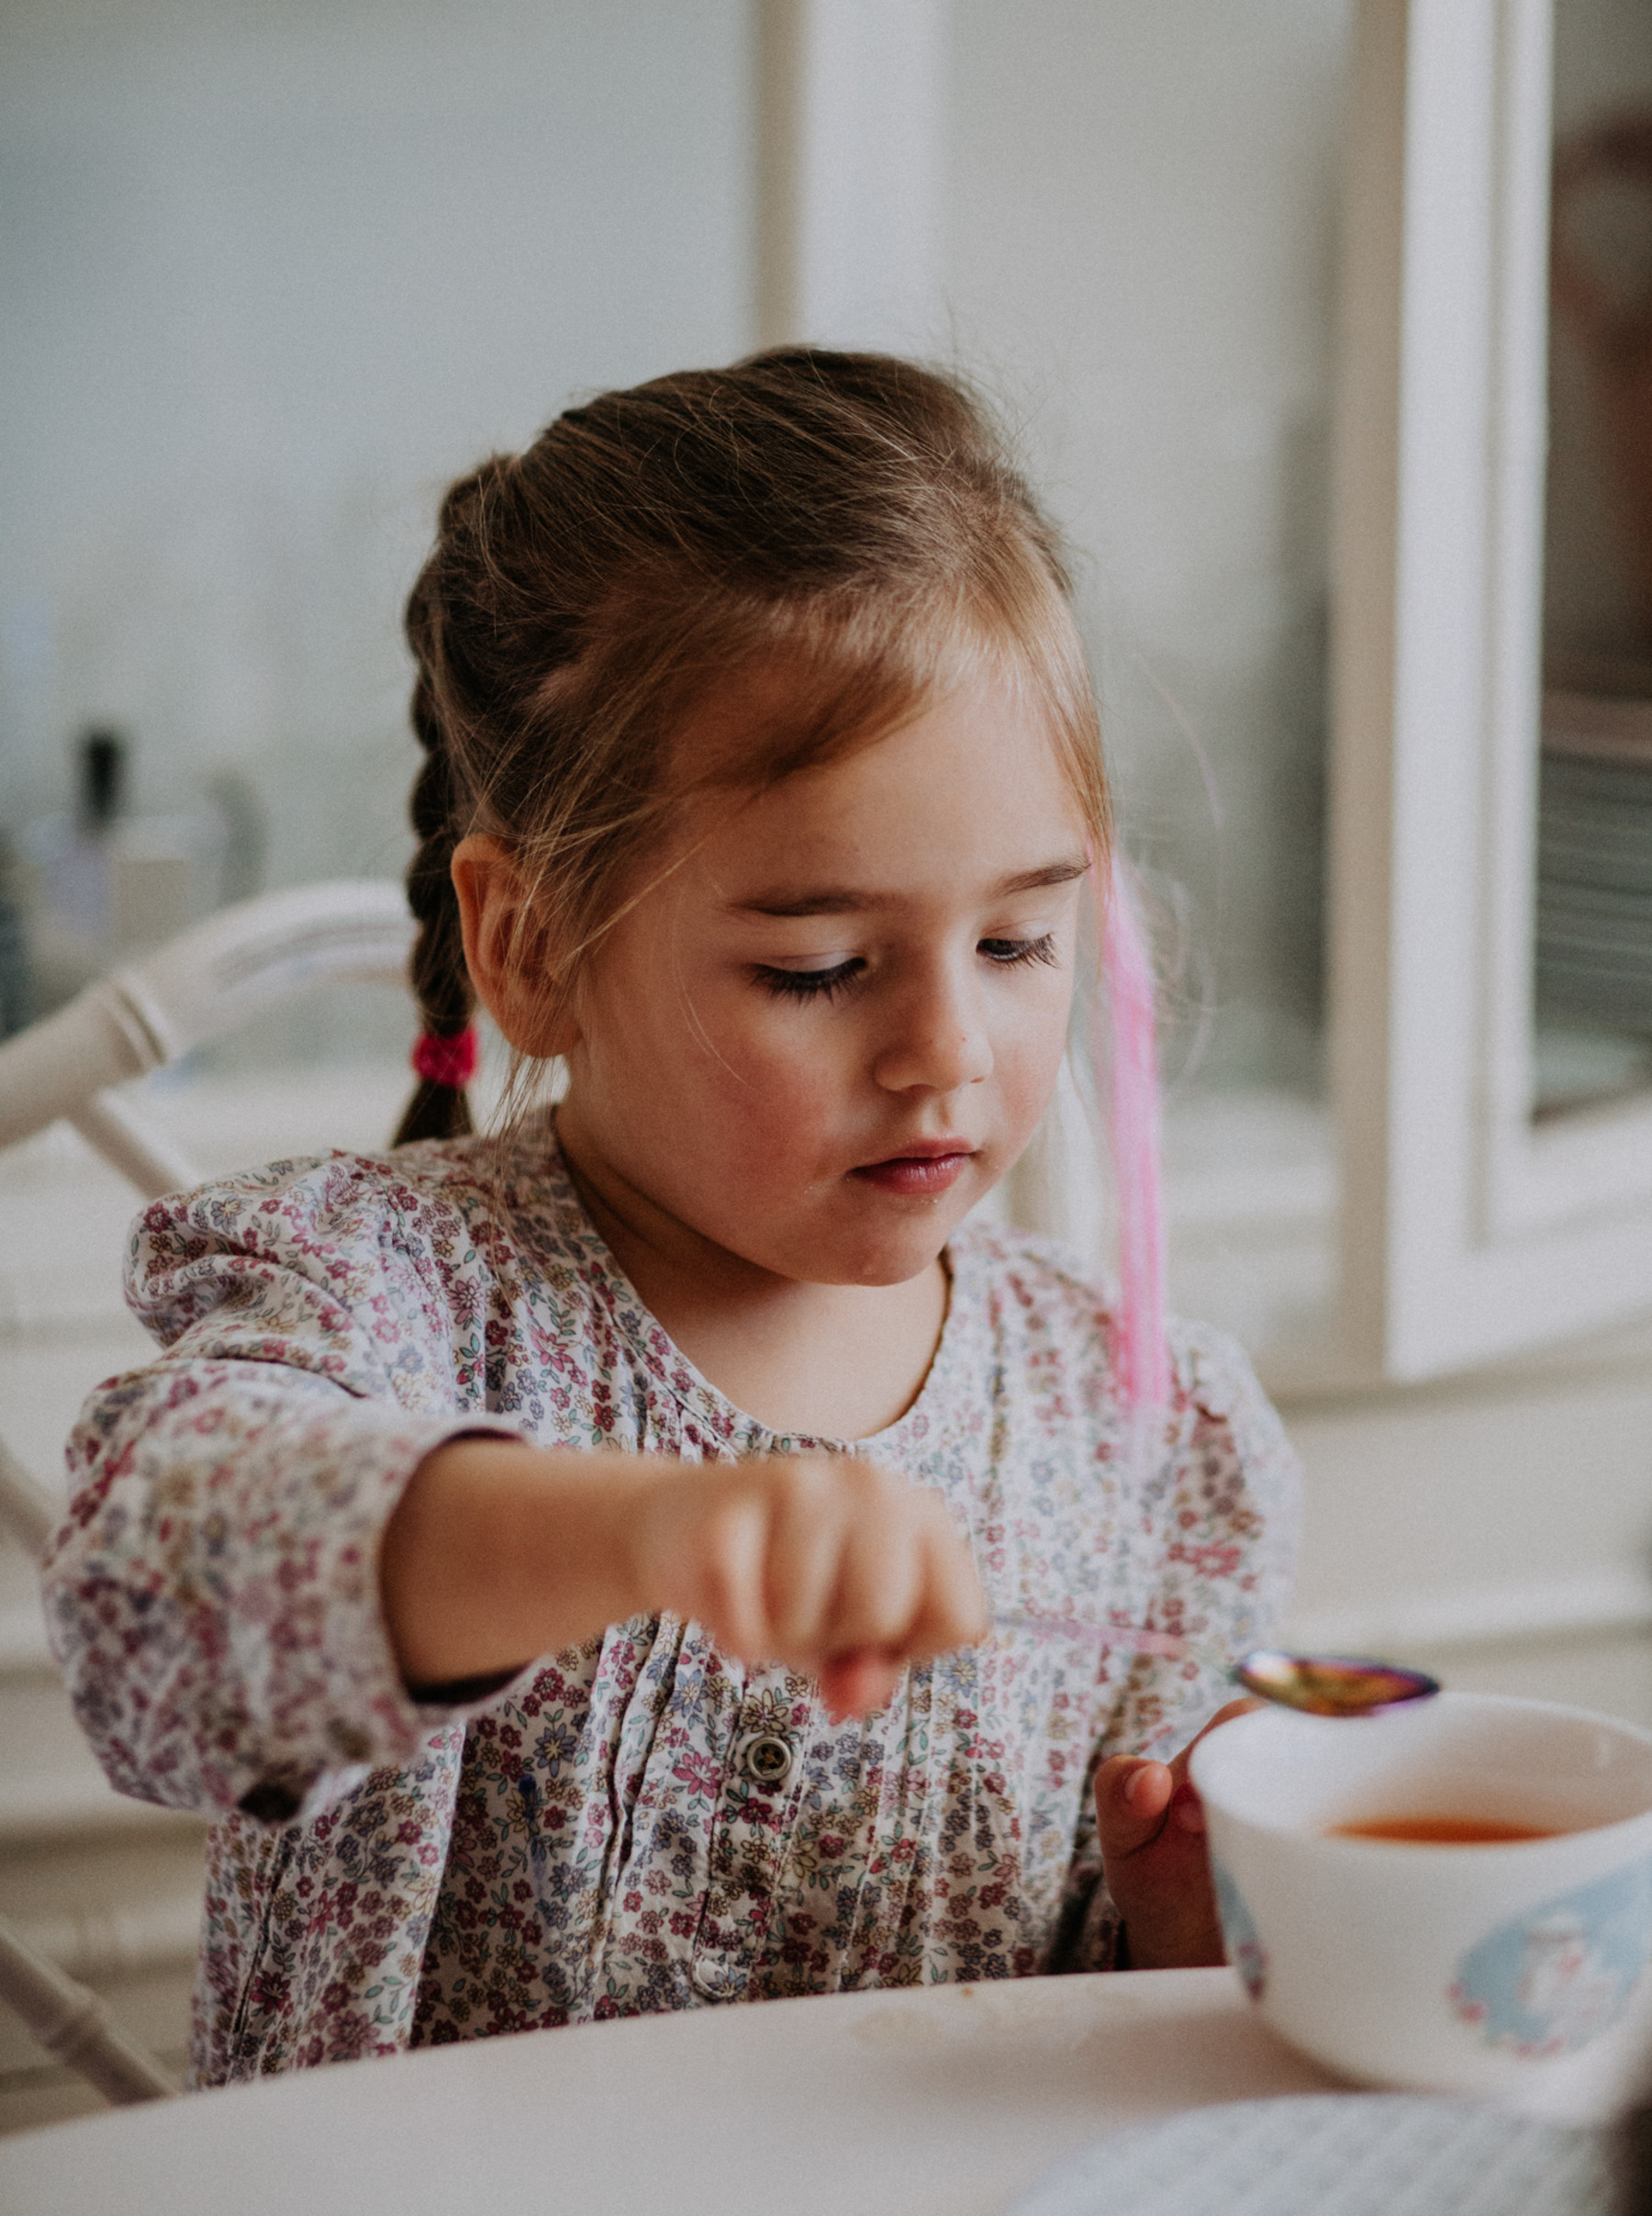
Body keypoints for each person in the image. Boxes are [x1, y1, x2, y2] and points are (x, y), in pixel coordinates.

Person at [42, 349, 1299, 2086]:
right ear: (536, 947)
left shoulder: (1145, 1430)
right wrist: (642, 1529)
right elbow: (146, 1613)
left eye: (1016, 941)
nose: (947, 1050)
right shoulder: (387, 1298)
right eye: (819, 967)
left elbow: (1121, 2025)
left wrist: (1191, 1919)